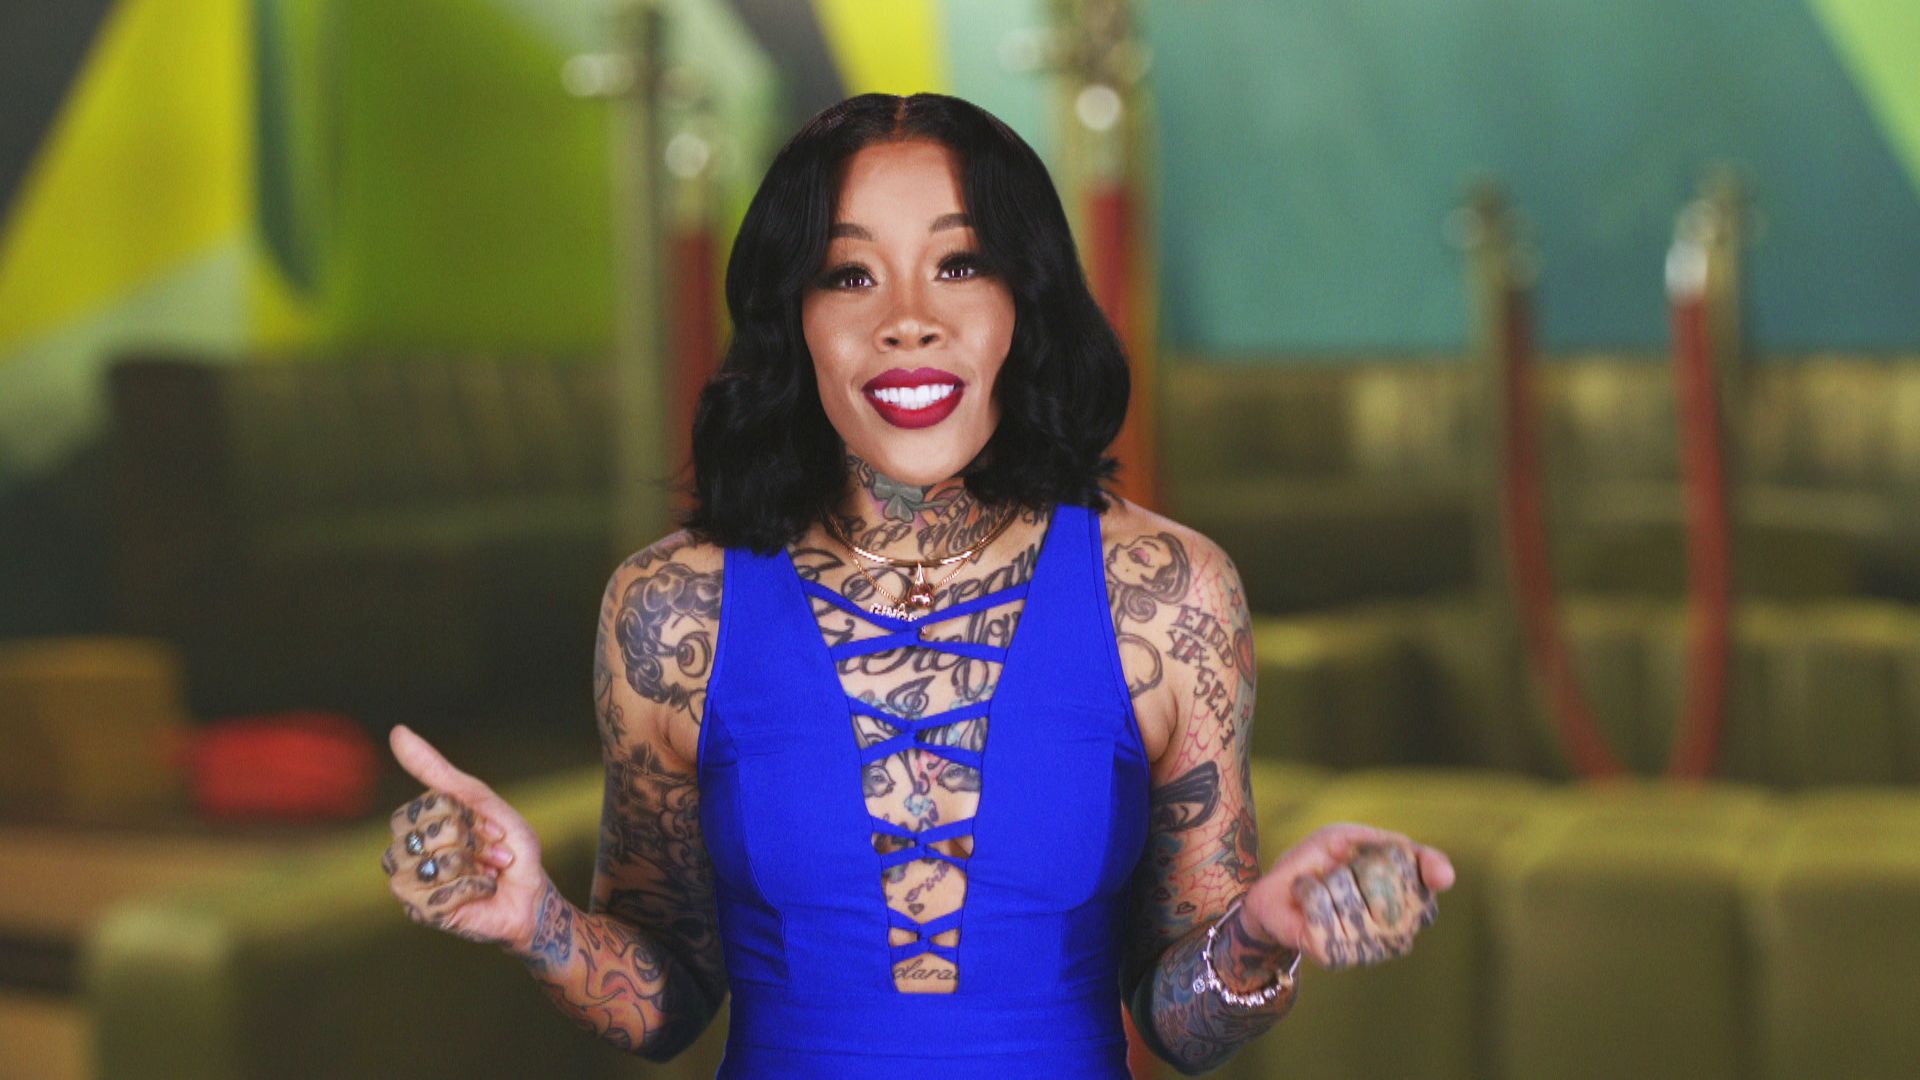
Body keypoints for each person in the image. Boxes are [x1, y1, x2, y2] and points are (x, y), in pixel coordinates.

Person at [382, 92, 1455, 1078]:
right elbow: (666, 1000)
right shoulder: (670, 608)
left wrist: (1263, 929)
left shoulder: (1169, 594)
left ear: (1025, 299)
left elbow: (1183, 1024)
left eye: (960, 264)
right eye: (849, 274)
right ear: (793, 317)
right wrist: (534, 920)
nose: (907, 318)